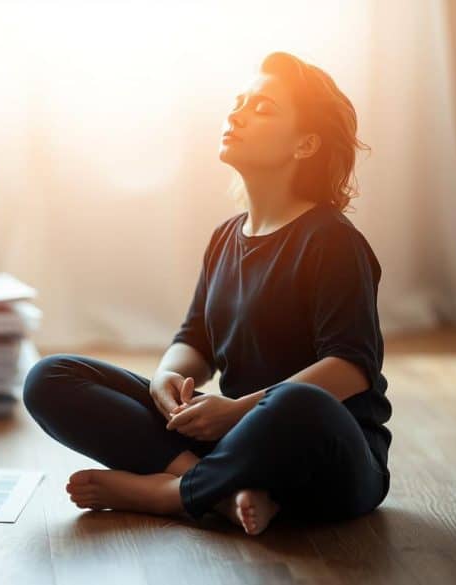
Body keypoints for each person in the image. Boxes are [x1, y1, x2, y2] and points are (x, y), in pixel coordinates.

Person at [22, 51, 391, 536]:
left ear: (305, 144)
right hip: (236, 440)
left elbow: (350, 367)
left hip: (327, 457)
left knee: (297, 402)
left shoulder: (332, 240)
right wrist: (167, 381)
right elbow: (195, 338)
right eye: (239, 102)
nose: (236, 114)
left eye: (262, 108)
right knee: (50, 376)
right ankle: (214, 488)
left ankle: (172, 494)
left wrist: (239, 411)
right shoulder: (226, 236)